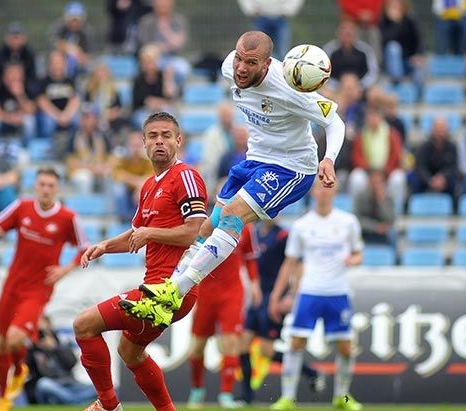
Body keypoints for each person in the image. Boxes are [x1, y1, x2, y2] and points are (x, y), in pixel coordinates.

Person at [123, 31, 344, 328]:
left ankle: (175, 291)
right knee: (206, 225)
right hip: (253, 160)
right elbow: (236, 68)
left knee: (230, 216)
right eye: (239, 57)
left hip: (290, 168)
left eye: (250, 63)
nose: (240, 67)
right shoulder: (229, 67)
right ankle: (162, 296)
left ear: (266, 65)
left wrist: (328, 159)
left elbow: (335, 122)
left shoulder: (292, 89)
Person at [67, 112, 207, 411]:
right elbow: (136, 234)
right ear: (143, 143)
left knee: (84, 325)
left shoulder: (185, 176)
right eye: (153, 136)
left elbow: (194, 232)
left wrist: (150, 233)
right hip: (156, 287)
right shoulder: (148, 186)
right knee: (129, 351)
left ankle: (107, 405)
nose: (160, 141)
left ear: (178, 140)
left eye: (166, 135)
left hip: (171, 288)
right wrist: (104, 245)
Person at [0, 166, 88, 411]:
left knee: (13, 338)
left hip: (38, 290)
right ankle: (3, 397)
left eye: (50, 186)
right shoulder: (22, 208)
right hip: (12, 285)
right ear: (35, 186)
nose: (45, 189)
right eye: (42, 184)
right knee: (1, 344)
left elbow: (85, 249)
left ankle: (20, 368)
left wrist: (64, 270)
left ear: (57, 189)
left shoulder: (67, 218)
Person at [268, 182, 363, 411]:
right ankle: (288, 398)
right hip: (309, 291)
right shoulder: (302, 225)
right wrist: (276, 296)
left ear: (335, 190)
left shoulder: (348, 222)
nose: (323, 191)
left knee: (346, 347)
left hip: (338, 292)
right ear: (312, 191)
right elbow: (290, 262)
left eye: (327, 187)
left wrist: (353, 260)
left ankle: (343, 397)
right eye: (319, 187)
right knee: (296, 342)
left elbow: (358, 252)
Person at [239, 219, 322, 405]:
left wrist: (291, 294)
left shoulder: (284, 235)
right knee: (243, 344)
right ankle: (247, 396)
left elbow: (297, 265)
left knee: (266, 350)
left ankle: (312, 372)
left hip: (274, 296)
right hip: (258, 294)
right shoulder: (256, 233)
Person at [187, 223, 260, 410]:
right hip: (205, 292)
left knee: (231, 342)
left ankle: (225, 394)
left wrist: (254, 284)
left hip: (232, 293)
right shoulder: (207, 224)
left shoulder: (246, 227)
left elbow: (250, 258)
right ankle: (197, 390)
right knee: (196, 347)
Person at [24, 316, 96, 405]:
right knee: (43, 384)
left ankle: (69, 401)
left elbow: (71, 362)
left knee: (97, 388)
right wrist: (33, 348)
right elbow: (29, 374)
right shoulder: (33, 350)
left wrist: (55, 347)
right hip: (51, 385)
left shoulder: (60, 342)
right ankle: (76, 402)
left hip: (70, 384)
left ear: (50, 327)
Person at [0, 63, 37, 146]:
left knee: (30, 122)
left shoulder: (28, 88)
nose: (14, 77)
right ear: (4, 76)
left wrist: (20, 95)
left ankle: (25, 148)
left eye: (17, 74)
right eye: (11, 74)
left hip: (19, 120)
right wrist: (8, 118)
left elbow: (31, 110)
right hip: (3, 120)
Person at [65, 104, 111, 194]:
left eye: (92, 117)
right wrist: (92, 169)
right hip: (79, 170)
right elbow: (70, 163)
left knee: (109, 175)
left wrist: (104, 167)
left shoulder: (102, 136)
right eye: (86, 117)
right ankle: (85, 206)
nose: (89, 121)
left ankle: (109, 207)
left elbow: (111, 157)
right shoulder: (73, 136)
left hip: (99, 169)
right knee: (85, 178)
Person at [110, 130, 153, 222]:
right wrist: (137, 183)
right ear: (128, 145)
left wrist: (140, 187)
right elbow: (117, 174)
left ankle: (139, 218)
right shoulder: (121, 157)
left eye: (138, 145)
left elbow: (151, 175)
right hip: (126, 187)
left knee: (147, 190)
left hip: (140, 187)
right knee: (118, 189)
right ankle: (123, 217)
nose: (136, 149)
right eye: (133, 145)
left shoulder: (148, 159)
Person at [237, 0, 304, 59]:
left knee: (282, 53)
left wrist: (288, 10)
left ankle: (282, 72)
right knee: (258, 53)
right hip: (260, 19)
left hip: (281, 19)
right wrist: (251, 10)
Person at [379, 0, 424, 89]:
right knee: (393, 46)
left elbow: (418, 40)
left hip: (408, 61)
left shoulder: (410, 21)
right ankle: (397, 80)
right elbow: (386, 39)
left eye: (397, 4)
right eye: (392, 5)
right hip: (390, 64)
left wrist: (417, 55)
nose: (395, 8)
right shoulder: (383, 22)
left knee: (419, 72)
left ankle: (419, 98)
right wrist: (396, 23)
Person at [323, 20, 380, 89]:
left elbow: (373, 72)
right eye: (343, 33)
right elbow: (323, 73)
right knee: (325, 93)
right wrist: (339, 86)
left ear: (355, 34)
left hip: (361, 88)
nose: (346, 37)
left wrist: (359, 85)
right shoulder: (329, 50)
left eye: (349, 34)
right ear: (338, 34)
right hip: (336, 89)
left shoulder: (365, 50)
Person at [409, 117, 458, 196]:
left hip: (444, 180)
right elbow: (420, 167)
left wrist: (443, 177)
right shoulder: (423, 147)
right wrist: (429, 180)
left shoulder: (452, 147)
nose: (440, 133)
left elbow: (453, 167)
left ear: (447, 130)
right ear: (432, 130)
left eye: (442, 129)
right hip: (427, 178)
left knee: (455, 181)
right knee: (412, 177)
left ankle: (454, 206)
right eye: (438, 129)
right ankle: (412, 203)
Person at [37, 51, 81, 138]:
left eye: (59, 63)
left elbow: (75, 101)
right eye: (54, 63)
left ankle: (72, 145)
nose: (57, 66)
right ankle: (47, 148)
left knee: (77, 120)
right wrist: (58, 116)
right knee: (48, 122)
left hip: (67, 114)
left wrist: (66, 115)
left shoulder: (70, 81)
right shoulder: (43, 82)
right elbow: (42, 102)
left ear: (64, 64)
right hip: (50, 115)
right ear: (50, 65)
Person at [49, 2, 93, 79]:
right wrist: (71, 49)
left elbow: (87, 54)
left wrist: (77, 55)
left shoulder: (86, 32)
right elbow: (54, 42)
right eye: (72, 20)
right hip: (61, 62)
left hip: (79, 66)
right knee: (56, 57)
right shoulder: (59, 28)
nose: (75, 23)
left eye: (77, 20)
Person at [354, 169, 396, 245]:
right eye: (374, 181)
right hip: (365, 231)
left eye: (379, 182)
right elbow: (356, 219)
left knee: (392, 233)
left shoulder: (388, 197)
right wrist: (375, 227)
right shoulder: (361, 196)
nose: (376, 184)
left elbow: (391, 219)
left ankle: (394, 256)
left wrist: (382, 202)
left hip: (383, 233)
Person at [0, 22, 37, 89]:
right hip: (3, 88)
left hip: (25, 88)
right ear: (7, 38)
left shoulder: (29, 54)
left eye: (17, 37)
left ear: (24, 38)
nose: (15, 41)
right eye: (13, 37)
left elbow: (32, 76)